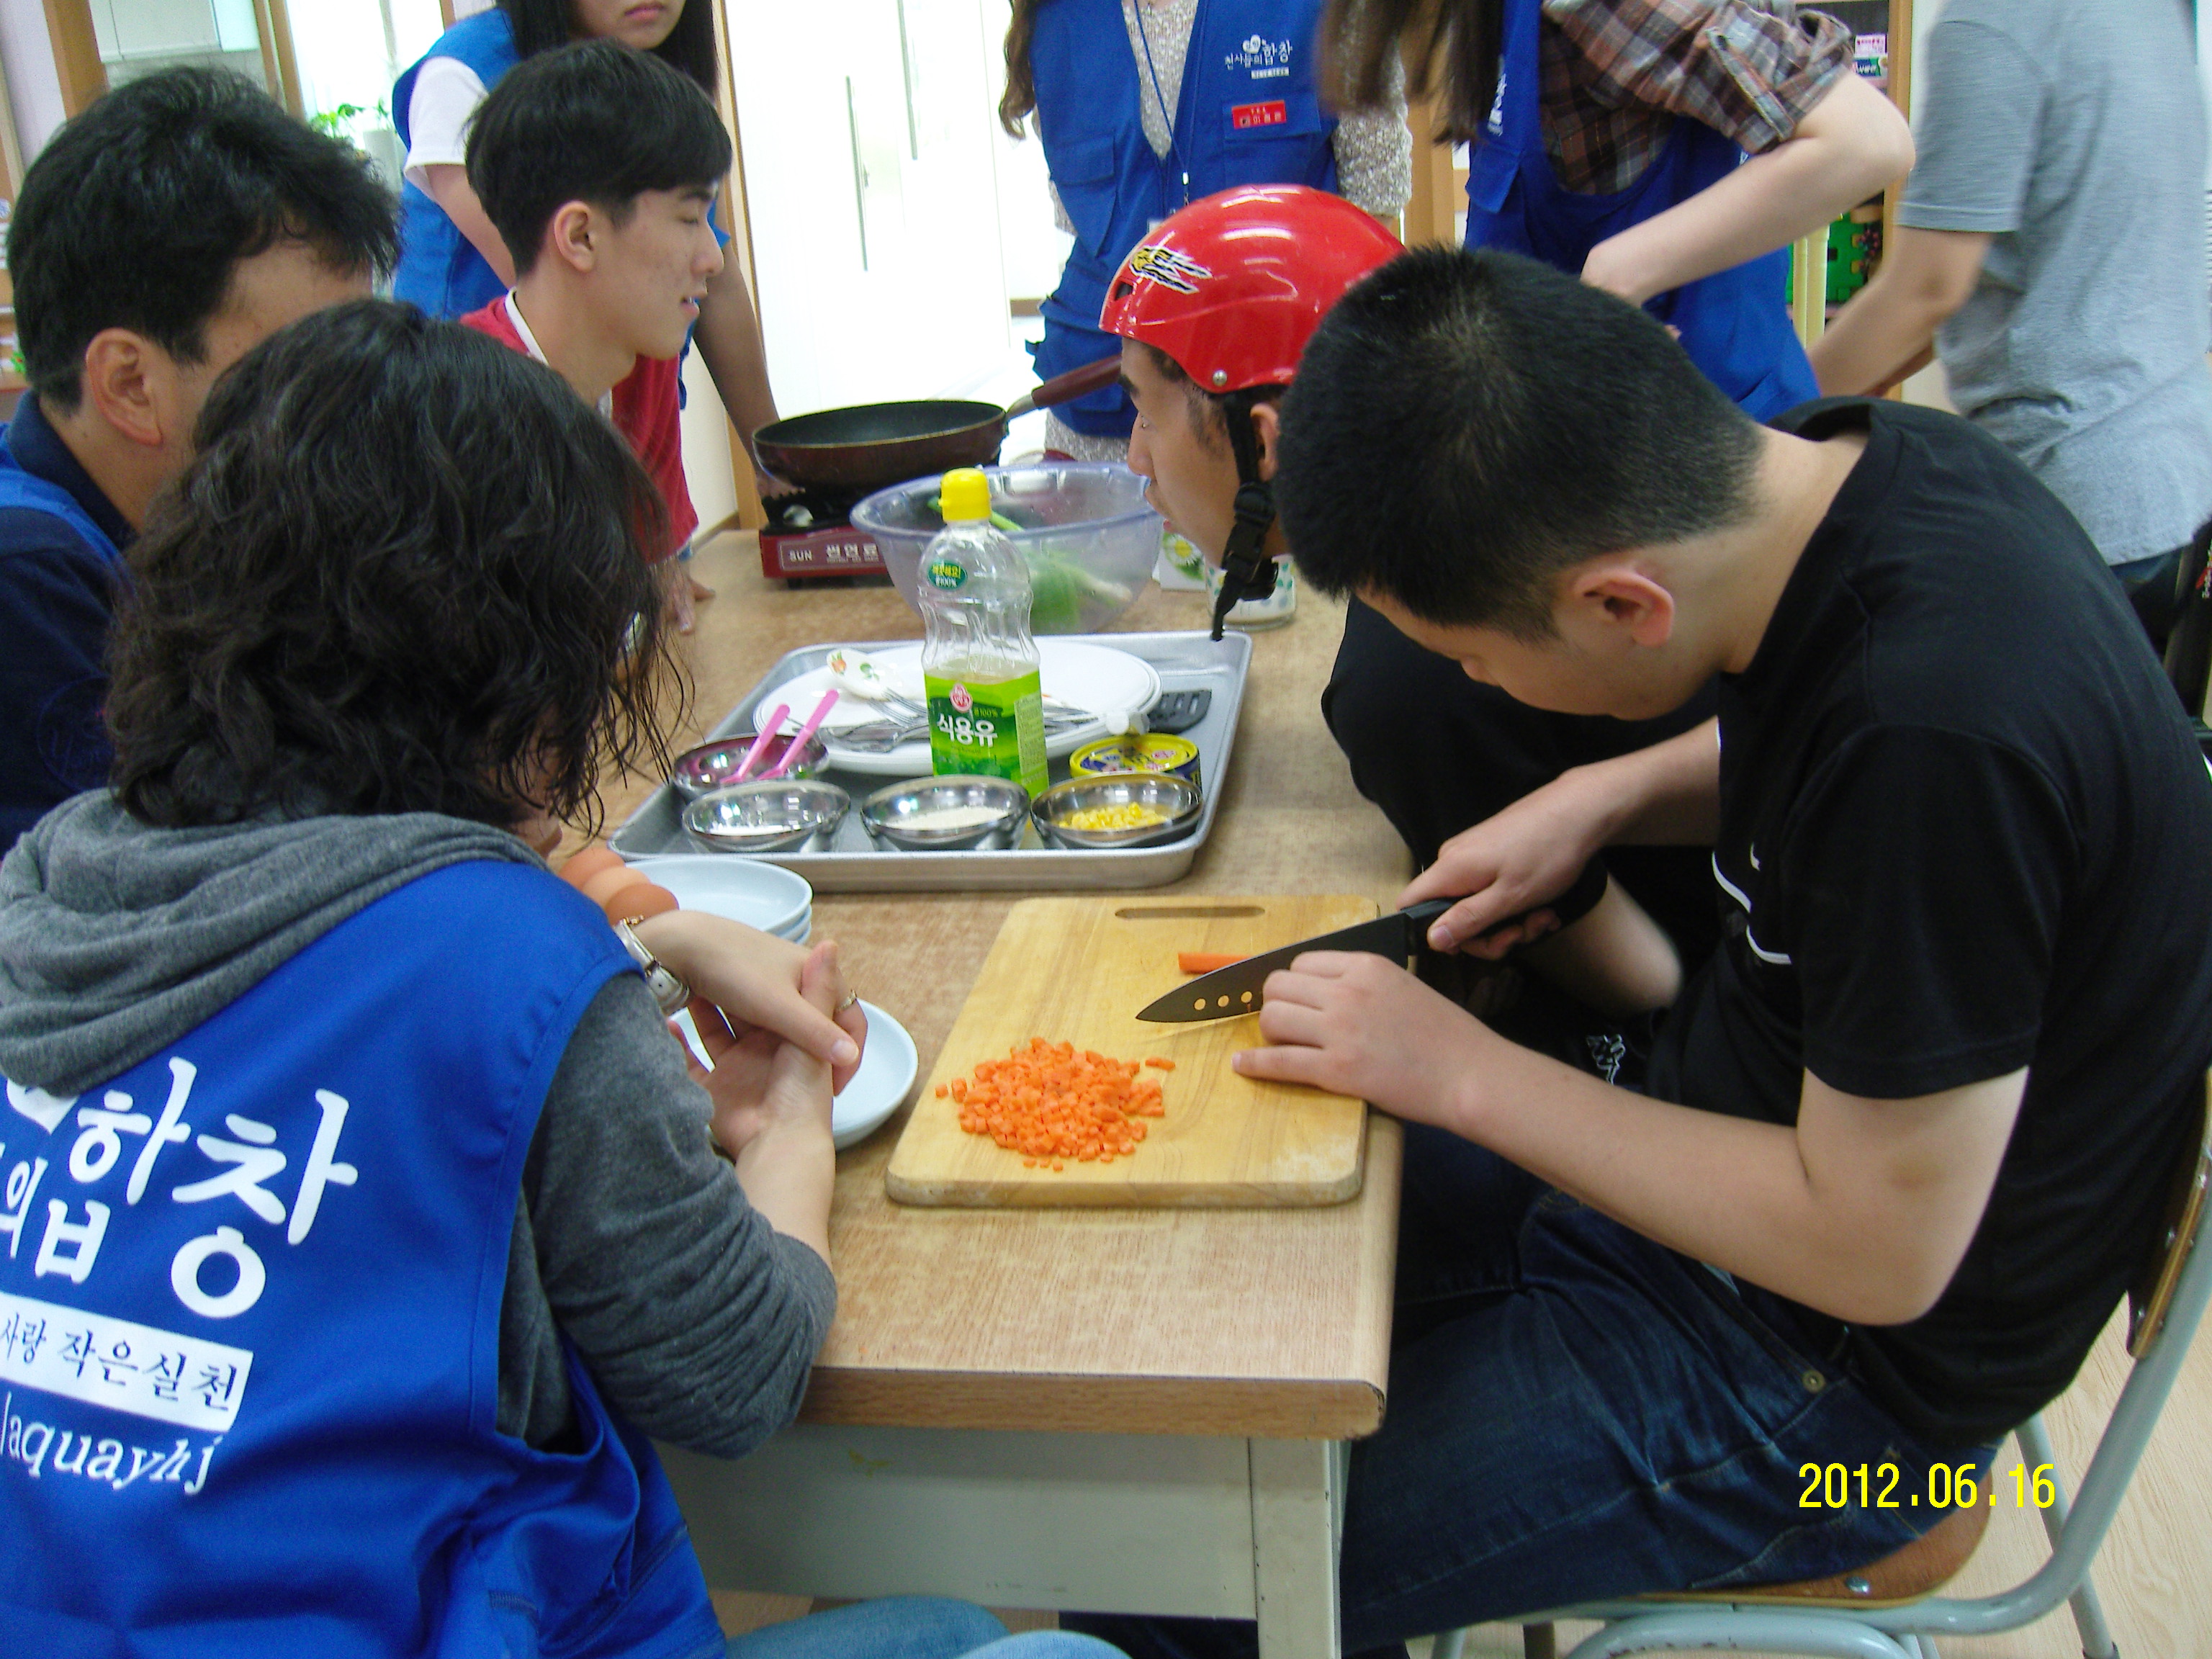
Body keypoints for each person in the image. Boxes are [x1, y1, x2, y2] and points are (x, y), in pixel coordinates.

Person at [1087, 244, 2212, 1655]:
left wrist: (1462, 1070)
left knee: (1177, 1578)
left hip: (1842, 1402)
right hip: (1713, 1180)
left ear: (1622, 604)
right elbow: (1815, 743)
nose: (1477, 688)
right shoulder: (1857, 471)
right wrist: (1600, 797)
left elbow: (1875, 1254)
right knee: (1202, 1306)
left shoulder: (1940, 734)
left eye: (1475, 659)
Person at [0, 299, 1122, 1659]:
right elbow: (736, 1372)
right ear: (507, 667)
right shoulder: (507, 956)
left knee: (938, 1626)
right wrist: (787, 1128)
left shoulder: (50, 885)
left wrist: (644, 947)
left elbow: (309, 1012)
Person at [1311, 0, 1915, 1039]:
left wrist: (1619, 276)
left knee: (1412, 686)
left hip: (1685, 503)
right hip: (1580, 500)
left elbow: (1867, 141)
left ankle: (1671, 1021)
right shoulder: (1495, 32)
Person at [0, 68, 396, 855]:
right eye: (307, 373)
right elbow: (158, 891)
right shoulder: (27, 580)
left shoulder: (201, 516)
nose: (354, 412)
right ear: (129, 384)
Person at [1809, 0, 2212, 662]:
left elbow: (1928, 288)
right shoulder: (2147, 13)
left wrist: (1761, 428)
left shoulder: (1995, 18)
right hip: (2173, 480)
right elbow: (1979, 277)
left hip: (2073, 494)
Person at [999, 0, 1409, 460]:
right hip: (1100, 413)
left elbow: (1373, 215)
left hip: (1274, 414)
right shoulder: (1055, 20)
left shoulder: (1328, 12)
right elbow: (1079, 219)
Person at [459, 39, 727, 613]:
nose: (713, 258)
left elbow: (656, 572)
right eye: (689, 218)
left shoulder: (640, 355)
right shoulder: (463, 405)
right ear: (580, 236)